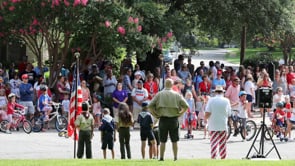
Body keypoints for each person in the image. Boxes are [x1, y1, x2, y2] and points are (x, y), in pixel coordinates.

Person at [148, 78, 189, 161]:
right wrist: (180, 113)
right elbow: (186, 106)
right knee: (174, 140)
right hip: (174, 119)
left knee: (162, 140)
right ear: (172, 84)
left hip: (163, 119)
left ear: (165, 84)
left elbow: (150, 106)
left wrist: (155, 114)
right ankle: (175, 157)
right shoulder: (177, 94)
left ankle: (162, 157)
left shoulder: (159, 94)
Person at [205, 85, 231, 159]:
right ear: (222, 92)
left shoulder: (211, 100)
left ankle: (213, 157)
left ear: (215, 92)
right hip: (223, 123)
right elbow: (229, 113)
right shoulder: (226, 101)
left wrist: (205, 119)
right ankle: (223, 157)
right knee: (222, 143)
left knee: (213, 142)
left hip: (213, 123)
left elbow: (207, 112)